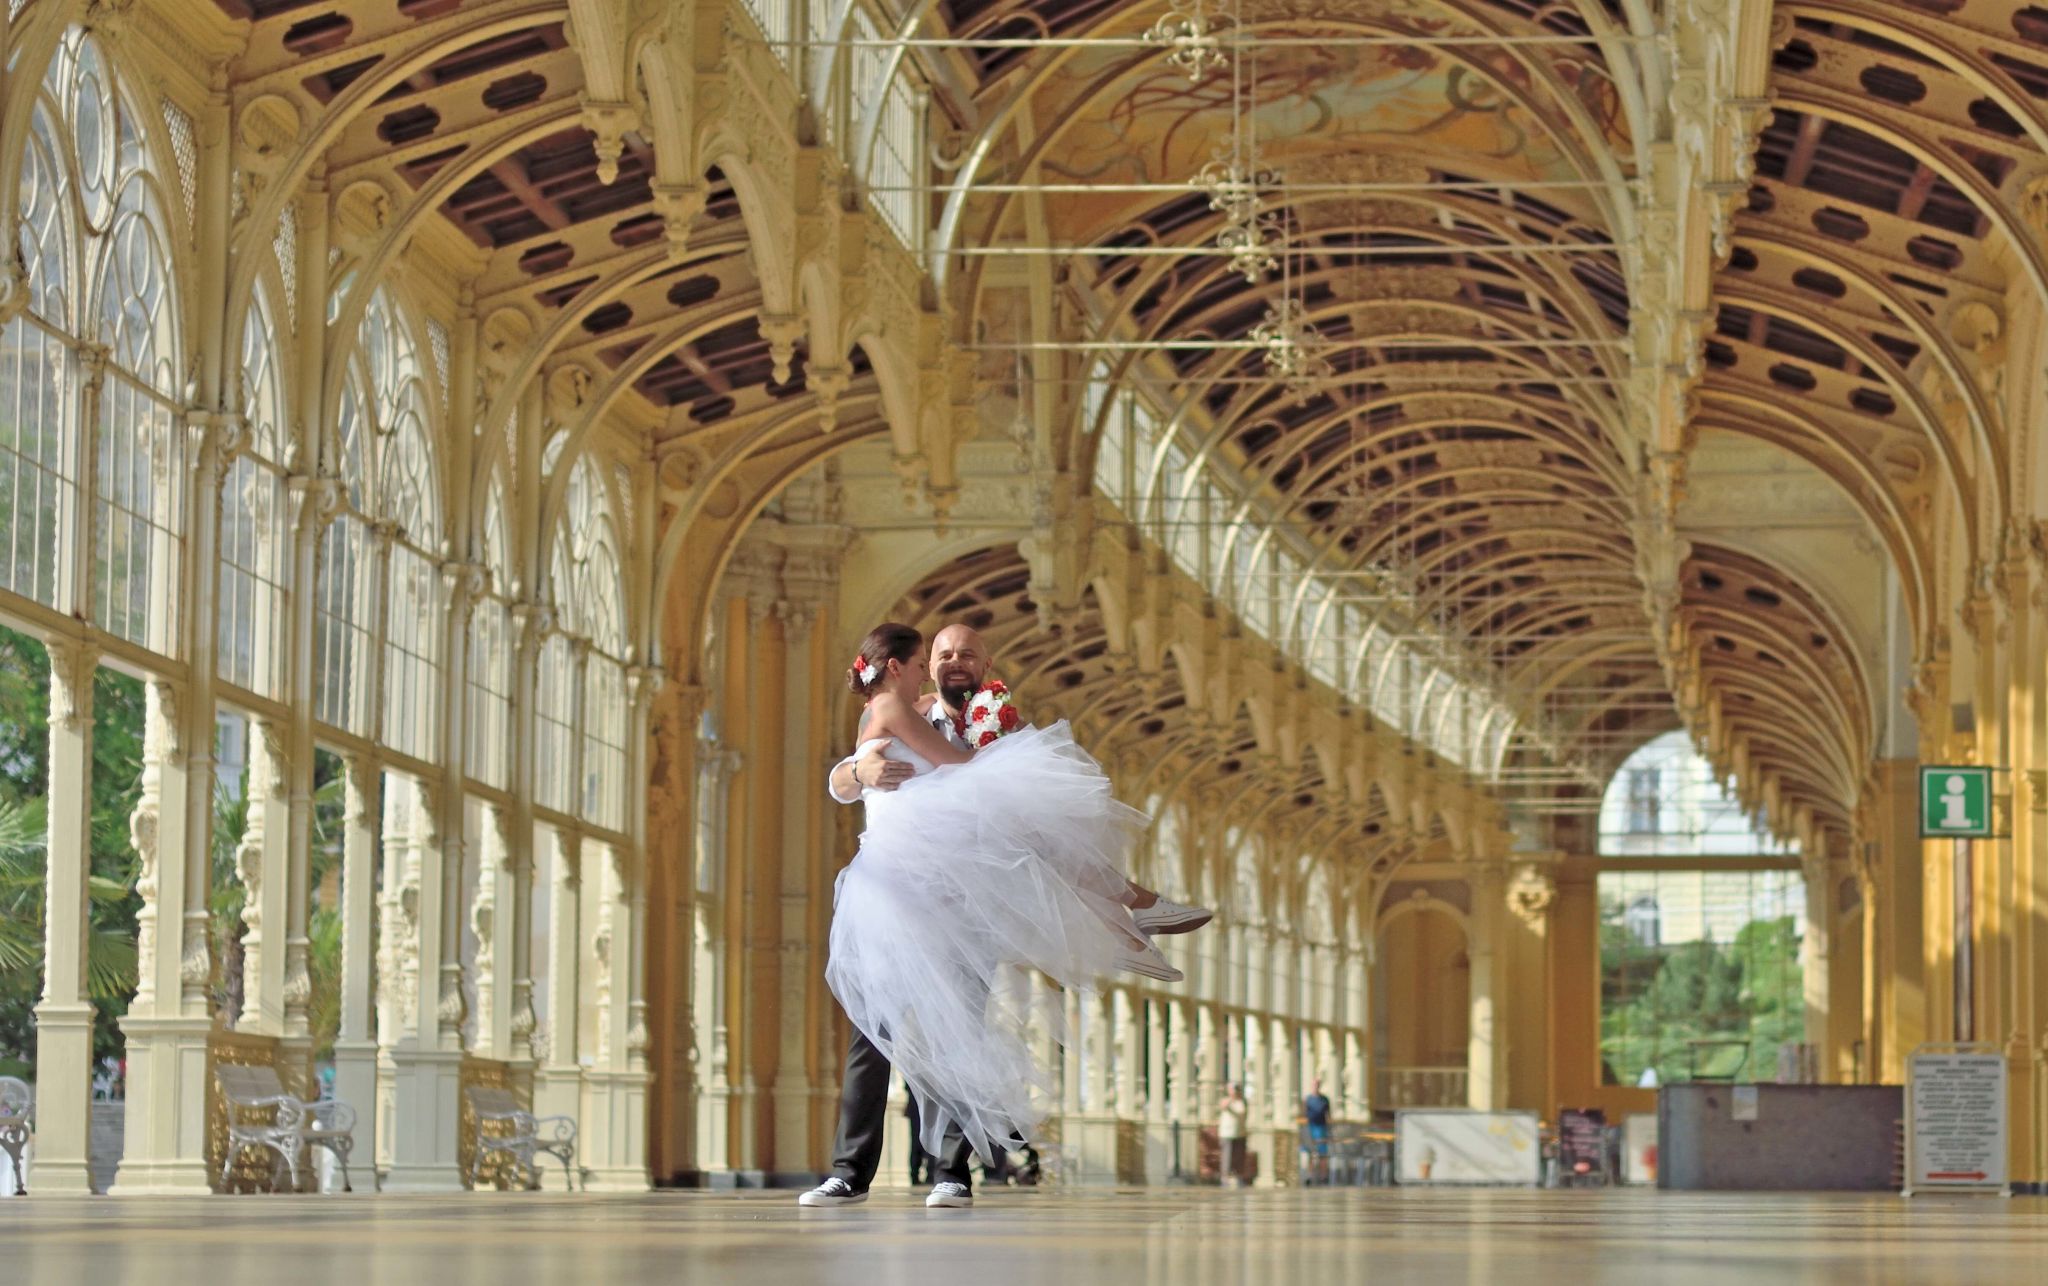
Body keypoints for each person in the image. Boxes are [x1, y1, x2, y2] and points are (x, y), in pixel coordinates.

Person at [802, 622, 1210, 1211]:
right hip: (893, 892)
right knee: (873, 1035)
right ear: (921, 665)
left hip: (964, 901)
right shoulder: (902, 707)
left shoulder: (1002, 727)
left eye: (966, 653)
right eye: (940, 655)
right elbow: (846, 776)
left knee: (959, 1032)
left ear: (985, 664)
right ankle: (849, 1171)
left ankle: (951, 1173)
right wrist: (855, 772)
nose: (950, 663)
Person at [1301, 1078, 1332, 1185]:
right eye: (1314, 1085)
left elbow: (1328, 1115)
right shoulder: (1308, 1099)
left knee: (1322, 1154)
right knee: (1310, 1153)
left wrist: (1329, 1130)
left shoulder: (1324, 1099)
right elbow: (1304, 1114)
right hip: (1311, 1128)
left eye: (1317, 1085)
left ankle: (1324, 1177)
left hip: (1321, 1128)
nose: (1316, 1087)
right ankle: (1309, 1176)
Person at [1219, 1083, 1249, 1188]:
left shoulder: (1242, 1102)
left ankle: (1239, 1177)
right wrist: (1231, 1098)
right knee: (1227, 1156)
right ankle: (1225, 1178)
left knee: (1239, 1156)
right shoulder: (1226, 1100)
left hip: (1239, 1132)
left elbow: (1242, 1113)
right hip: (1227, 1133)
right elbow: (1223, 1106)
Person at [904, 1093, 930, 1187]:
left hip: (916, 1104)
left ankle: (915, 1175)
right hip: (925, 1104)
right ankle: (927, 1175)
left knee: (916, 1142)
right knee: (924, 1141)